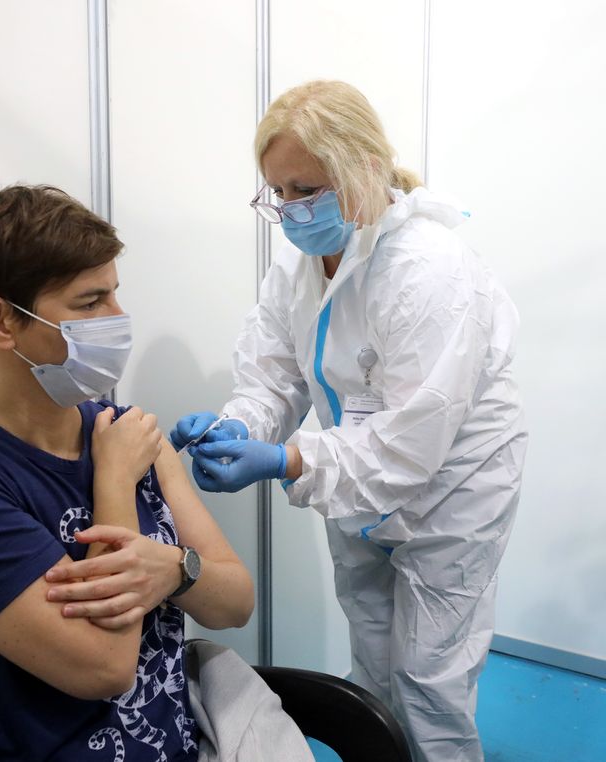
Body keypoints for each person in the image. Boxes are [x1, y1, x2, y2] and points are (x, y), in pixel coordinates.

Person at [171, 80, 528, 762]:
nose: (291, 209)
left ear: (362, 168)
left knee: (429, 677)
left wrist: (289, 459)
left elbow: (413, 441)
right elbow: (274, 372)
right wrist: (241, 426)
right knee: (372, 651)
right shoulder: (299, 263)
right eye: (279, 192)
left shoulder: (428, 268)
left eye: (306, 189)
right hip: (354, 480)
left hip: (453, 486)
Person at [0, 184, 255, 761]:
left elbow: (235, 603)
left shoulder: (126, 433)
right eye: (90, 303)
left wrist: (177, 569)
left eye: (115, 295)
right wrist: (114, 483)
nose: (119, 320)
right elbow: (104, 668)